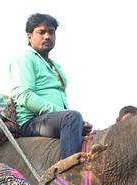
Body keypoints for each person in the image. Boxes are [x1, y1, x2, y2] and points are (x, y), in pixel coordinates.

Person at [9, 13, 91, 161]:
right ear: (29, 36)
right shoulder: (25, 59)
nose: (47, 36)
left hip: (54, 119)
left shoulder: (54, 65)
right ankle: (68, 174)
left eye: (51, 32)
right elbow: (24, 95)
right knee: (73, 117)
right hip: (32, 122)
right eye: (41, 32)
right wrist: (66, 115)